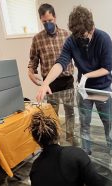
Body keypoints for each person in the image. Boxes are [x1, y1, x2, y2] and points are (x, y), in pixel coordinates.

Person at [36, 5, 112, 155]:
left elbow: (107, 67)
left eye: (84, 36)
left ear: (92, 28)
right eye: (78, 37)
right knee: (84, 123)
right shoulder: (72, 41)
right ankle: (86, 153)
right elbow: (61, 62)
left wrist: (86, 75)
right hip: (83, 90)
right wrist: (45, 83)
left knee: (108, 122)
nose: (82, 40)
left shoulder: (103, 38)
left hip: (101, 88)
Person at [28, 3, 75, 143]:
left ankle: (71, 136)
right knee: (52, 113)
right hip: (49, 83)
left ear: (55, 17)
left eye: (50, 20)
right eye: (44, 22)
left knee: (70, 111)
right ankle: (55, 140)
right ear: (41, 20)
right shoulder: (37, 39)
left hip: (67, 80)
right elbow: (33, 60)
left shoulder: (67, 35)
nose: (48, 24)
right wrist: (30, 72)